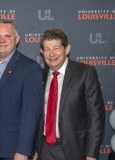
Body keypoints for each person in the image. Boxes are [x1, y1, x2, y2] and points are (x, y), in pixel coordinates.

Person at [34, 29, 105, 160]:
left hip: (75, 149)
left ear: (67, 49)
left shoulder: (85, 73)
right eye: (47, 49)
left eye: (56, 48)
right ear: (42, 52)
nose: (51, 54)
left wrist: (91, 154)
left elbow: (96, 117)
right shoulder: (39, 75)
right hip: (45, 149)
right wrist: (36, 149)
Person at [0, 20, 43, 160]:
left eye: (8, 36)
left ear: (17, 39)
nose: (2, 40)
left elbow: (31, 113)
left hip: (13, 150)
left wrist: (23, 150)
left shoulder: (30, 68)